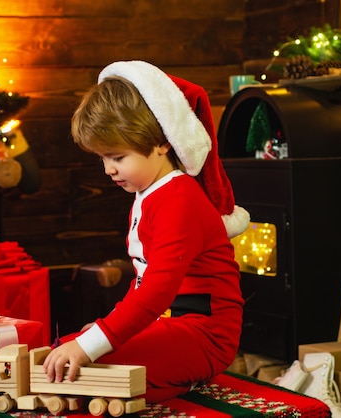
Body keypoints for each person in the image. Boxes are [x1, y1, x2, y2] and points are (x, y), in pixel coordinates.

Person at [43, 61, 250, 403]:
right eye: (103, 159)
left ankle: (162, 385)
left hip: (204, 334)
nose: (109, 170)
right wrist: (101, 330)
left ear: (161, 143)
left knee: (85, 361)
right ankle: (155, 386)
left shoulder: (179, 199)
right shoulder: (149, 192)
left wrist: (97, 340)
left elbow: (155, 291)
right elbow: (141, 280)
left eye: (117, 157)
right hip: (169, 324)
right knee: (66, 350)